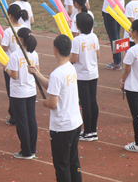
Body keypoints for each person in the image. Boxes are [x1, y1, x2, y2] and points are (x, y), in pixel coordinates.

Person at [28, 35, 83, 181]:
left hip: (62, 128)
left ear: (55, 49)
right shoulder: (70, 68)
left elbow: (52, 103)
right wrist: (37, 73)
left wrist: (44, 102)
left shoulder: (57, 74)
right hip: (75, 123)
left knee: (62, 166)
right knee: (74, 162)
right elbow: (52, 85)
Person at [5, 28, 39, 160]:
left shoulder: (15, 55)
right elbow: (37, 71)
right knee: (31, 120)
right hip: (30, 91)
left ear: (21, 39)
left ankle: (26, 151)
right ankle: (32, 148)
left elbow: (14, 75)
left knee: (22, 122)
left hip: (18, 93)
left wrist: (6, 68)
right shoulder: (34, 54)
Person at [69, 12, 100, 142]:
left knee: (85, 103)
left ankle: (87, 132)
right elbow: (97, 55)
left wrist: (68, 58)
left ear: (79, 26)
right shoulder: (94, 37)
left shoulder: (77, 40)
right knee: (92, 101)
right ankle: (93, 130)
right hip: (93, 74)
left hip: (81, 75)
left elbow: (74, 59)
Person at [95, 0, 127, 70]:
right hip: (119, 12)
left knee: (113, 37)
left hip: (110, 13)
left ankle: (117, 61)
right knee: (117, 36)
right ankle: (118, 60)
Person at [0, 4, 28, 125]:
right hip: (24, 63)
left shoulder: (8, 31)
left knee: (11, 90)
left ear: (10, 16)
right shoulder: (25, 28)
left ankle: (14, 117)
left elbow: (4, 47)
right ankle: (23, 114)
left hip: (11, 65)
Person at [121, 19, 138, 153]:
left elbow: (127, 70)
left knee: (137, 116)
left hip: (133, 88)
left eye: (130, 30)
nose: (129, 32)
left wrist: (122, 83)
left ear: (135, 32)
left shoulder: (132, 50)